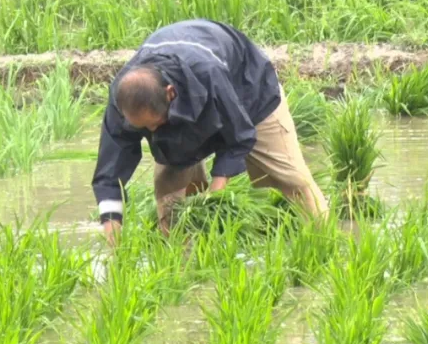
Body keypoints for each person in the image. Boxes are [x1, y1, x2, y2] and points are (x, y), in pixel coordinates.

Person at [92, 19, 328, 244]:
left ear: (170, 93)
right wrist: (113, 231)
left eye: (155, 123)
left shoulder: (208, 73)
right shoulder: (123, 100)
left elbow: (239, 135)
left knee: (293, 179)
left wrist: (216, 196)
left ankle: (324, 243)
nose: (151, 132)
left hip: (250, 93)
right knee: (170, 197)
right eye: (143, 128)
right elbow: (109, 173)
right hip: (181, 110)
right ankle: (180, 262)